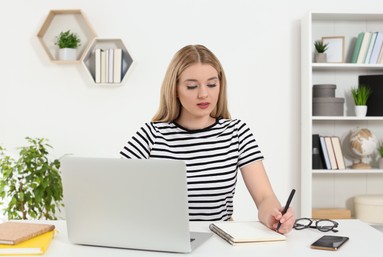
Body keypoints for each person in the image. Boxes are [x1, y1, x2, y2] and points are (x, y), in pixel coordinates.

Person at [120, 44, 295, 234]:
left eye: (212, 84)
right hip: (163, 238)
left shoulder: (237, 133)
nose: (204, 94)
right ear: (175, 89)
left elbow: (264, 197)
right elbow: (115, 188)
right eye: (192, 86)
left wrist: (274, 216)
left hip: (218, 239)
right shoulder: (151, 134)